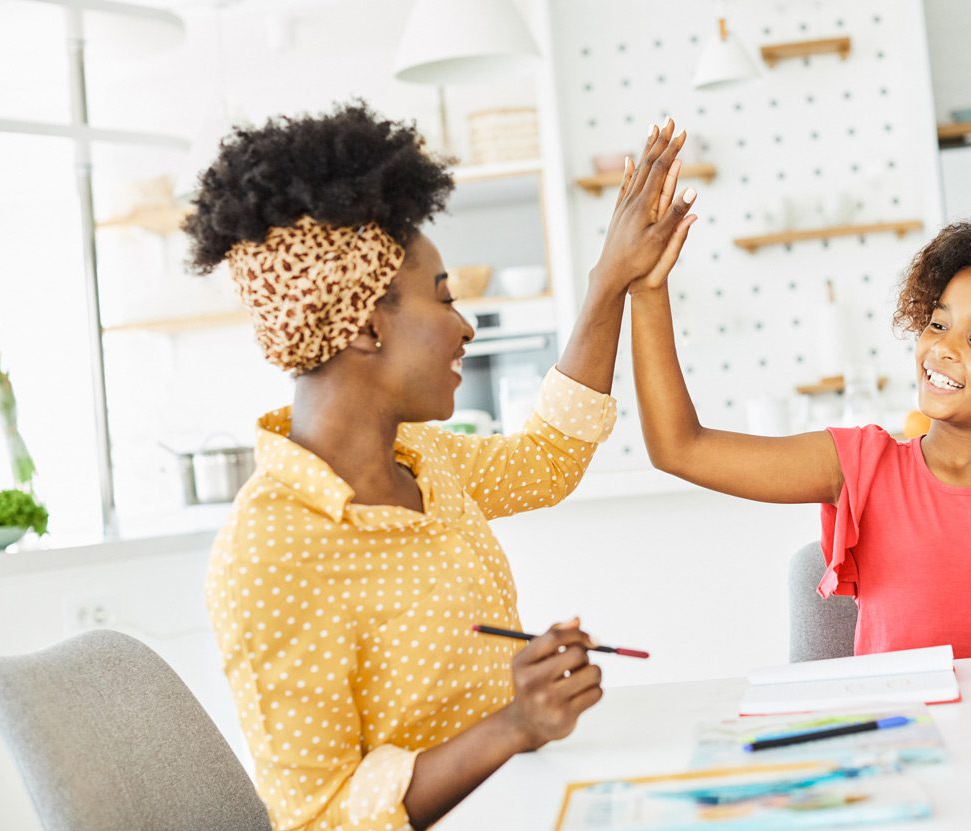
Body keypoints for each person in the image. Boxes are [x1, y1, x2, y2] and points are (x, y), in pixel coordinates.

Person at [185, 103, 696, 830]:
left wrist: (608, 284)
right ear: (365, 324)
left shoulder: (423, 461)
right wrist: (514, 725)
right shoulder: (271, 551)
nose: (466, 325)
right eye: (444, 296)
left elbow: (547, 459)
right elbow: (318, 817)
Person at [628, 221, 971, 669]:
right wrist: (649, 292)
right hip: (899, 735)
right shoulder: (860, 466)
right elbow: (680, 448)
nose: (941, 350)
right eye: (938, 325)